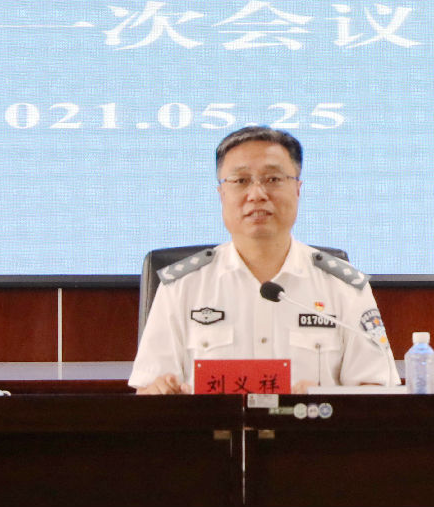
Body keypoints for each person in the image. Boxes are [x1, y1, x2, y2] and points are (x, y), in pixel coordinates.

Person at [129, 126, 400, 394]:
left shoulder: (344, 286)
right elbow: (148, 391)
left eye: (273, 179)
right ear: (221, 194)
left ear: (298, 189)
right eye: (241, 181)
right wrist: (159, 392)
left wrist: (323, 399)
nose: (257, 194)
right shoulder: (181, 286)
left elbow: (377, 391)